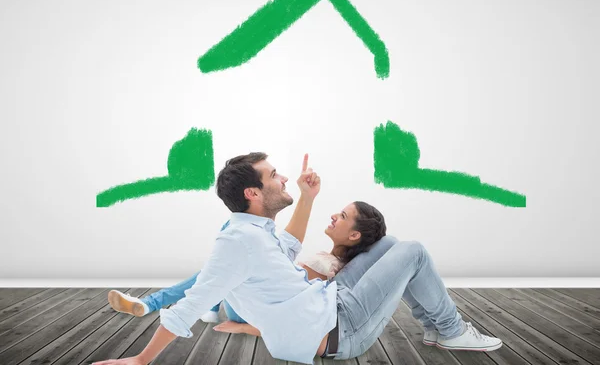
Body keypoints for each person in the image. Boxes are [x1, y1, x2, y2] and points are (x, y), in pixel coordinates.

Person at [94, 152, 502, 365]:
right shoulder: (237, 243)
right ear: (253, 193)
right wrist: (142, 359)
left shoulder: (254, 231)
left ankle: (433, 327)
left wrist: (306, 199)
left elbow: (288, 248)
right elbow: (189, 307)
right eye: (273, 176)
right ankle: (449, 330)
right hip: (343, 328)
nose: (283, 177)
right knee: (413, 250)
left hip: (327, 304)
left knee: (390, 243)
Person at [108, 199, 387, 327]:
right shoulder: (330, 261)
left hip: (253, 311)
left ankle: (155, 304)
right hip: (252, 305)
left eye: (342, 215)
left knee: (226, 266)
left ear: (354, 235)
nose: (334, 216)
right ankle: (207, 305)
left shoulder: (330, 268)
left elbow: (292, 303)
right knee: (228, 259)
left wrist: (244, 328)